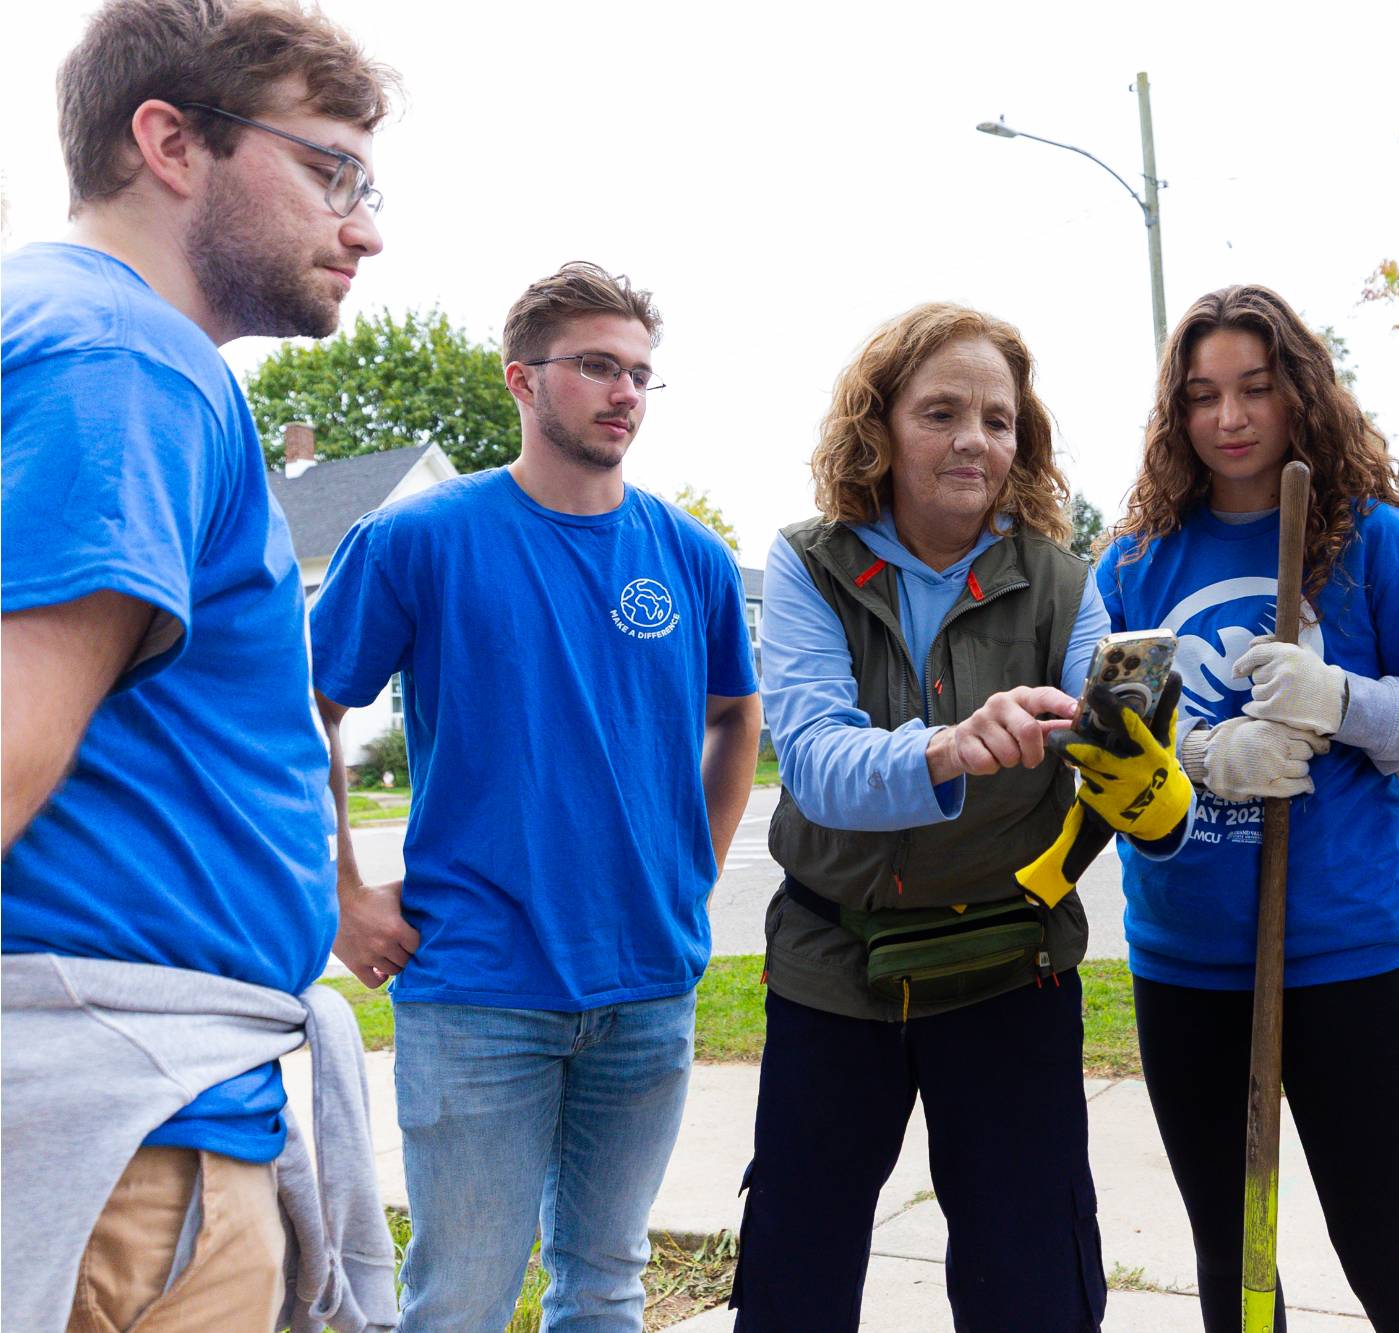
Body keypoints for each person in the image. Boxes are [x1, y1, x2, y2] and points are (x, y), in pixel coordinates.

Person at [1, 2, 398, 1329]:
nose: (365, 226)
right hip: (123, 1142)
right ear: (170, 142)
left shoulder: (53, 334)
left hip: (125, 1108)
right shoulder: (123, 359)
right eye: (328, 169)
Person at [309, 261, 762, 1329]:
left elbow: (735, 716)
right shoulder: (420, 539)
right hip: (476, 987)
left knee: (605, 1281)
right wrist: (338, 892)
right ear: (520, 378)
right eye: (597, 367)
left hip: (647, 986)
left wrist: (691, 869)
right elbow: (301, 714)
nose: (624, 394)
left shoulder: (689, 555)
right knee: (462, 1292)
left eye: (642, 374)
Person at [729, 302, 1191, 1332]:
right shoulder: (807, 565)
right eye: (940, 412)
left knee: (1033, 1284)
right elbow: (811, 760)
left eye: (997, 417)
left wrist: (1150, 779)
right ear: (879, 427)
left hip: (1009, 971)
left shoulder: (1067, 585)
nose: (973, 439)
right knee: (793, 1280)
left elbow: (1121, 749)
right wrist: (946, 745)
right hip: (831, 970)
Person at [1095, 284, 1399, 1333]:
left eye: (1254, 389)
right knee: (1231, 1254)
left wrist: (1342, 700)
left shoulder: (1368, 544)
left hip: (1345, 954)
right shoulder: (1135, 561)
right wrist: (1198, 753)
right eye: (1199, 396)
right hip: (1184, 957)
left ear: (1299, 396)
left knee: (1383, 1246)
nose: (1227, 418)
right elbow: (1099, 740)